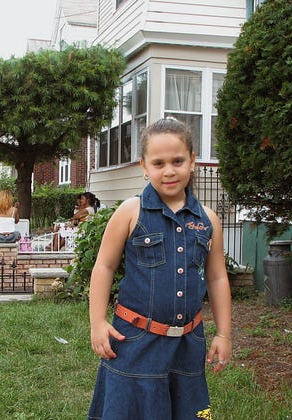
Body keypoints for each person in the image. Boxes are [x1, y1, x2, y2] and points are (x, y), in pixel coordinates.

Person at [87, 118, 232, 419]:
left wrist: (224, 334)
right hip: (134, 341)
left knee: (193, 412)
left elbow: (217, 278)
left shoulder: (208, 220)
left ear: (192, 161)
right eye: (158, 163)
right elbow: (104, 266)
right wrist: (97, 322)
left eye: (178, 161)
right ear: (144, 166)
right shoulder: (130, 212)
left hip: (188, 345)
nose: (169, 171)